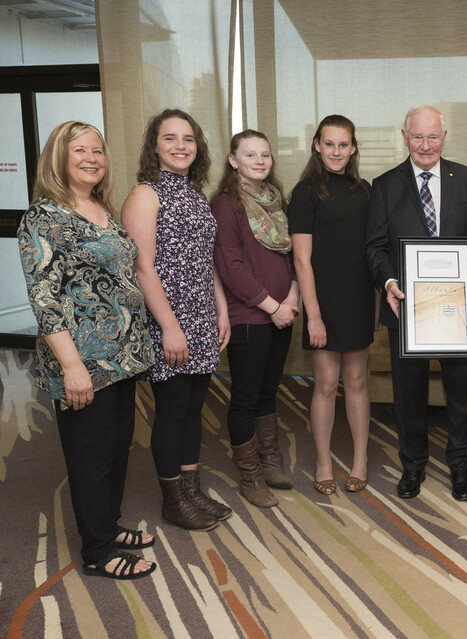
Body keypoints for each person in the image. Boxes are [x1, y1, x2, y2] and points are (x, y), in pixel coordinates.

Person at [18, 121, 156, 579]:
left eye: (98, 150)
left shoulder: (100, 208)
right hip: (82, 363)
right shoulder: (44, 217)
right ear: (59, 158)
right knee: (90, 457)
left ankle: (107, 525)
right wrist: (73, 367)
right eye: (80, 150)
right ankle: (97, 551)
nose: (92, 158)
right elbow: (44, 297)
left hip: (121, 357)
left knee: (117, 449)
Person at [365, 105, 467, 501]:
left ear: (444, 136)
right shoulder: (384, 185)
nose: (425, 145)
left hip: (458, 309)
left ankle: (460, 467)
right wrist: (388, 280)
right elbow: (375, 246)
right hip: (407, 308)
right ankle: (413, 465)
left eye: (433, 136)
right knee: (409, 393)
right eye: (417, 136)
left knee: (461, 392)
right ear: (404, 136)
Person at [122, 109, 232, 531]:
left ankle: (190, 490)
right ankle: (173, 501)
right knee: (172, 410)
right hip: (169, 318)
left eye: (188, 139)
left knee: (193, 408)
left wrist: (220, 310)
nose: (180, 146)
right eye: (170, 138)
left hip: (202, 316)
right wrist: (169, 326)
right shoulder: (145, 194)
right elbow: (143, 268)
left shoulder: (196, 195)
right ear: (155, 146)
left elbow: (207, 261)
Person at [212, 130, 298, 508]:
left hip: (284, 312)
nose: (260, 161)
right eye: (251, 155)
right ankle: (250, 477)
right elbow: (229, 266)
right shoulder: (227, 204)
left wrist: (292, 297)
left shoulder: (275, 201)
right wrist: (272, 306)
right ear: (234, 160)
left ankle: (270, 462)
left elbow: (289, 255)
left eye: (265, 154)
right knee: (246, 398)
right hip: (250, 316)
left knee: (268, 391)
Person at [290, 115, 375, 495]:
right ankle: (323, 463)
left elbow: (372, 252)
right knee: (325, 383)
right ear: (317, 145)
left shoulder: (365, 190)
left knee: (356, 381)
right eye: (329, 144)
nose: (336, 152)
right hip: (322, 301)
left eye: (344, 145)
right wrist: (314, 316)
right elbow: (301, 260)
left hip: (358, 297)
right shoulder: (306, 192)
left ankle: (360, 461)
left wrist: (374, 305)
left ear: (353, 148)